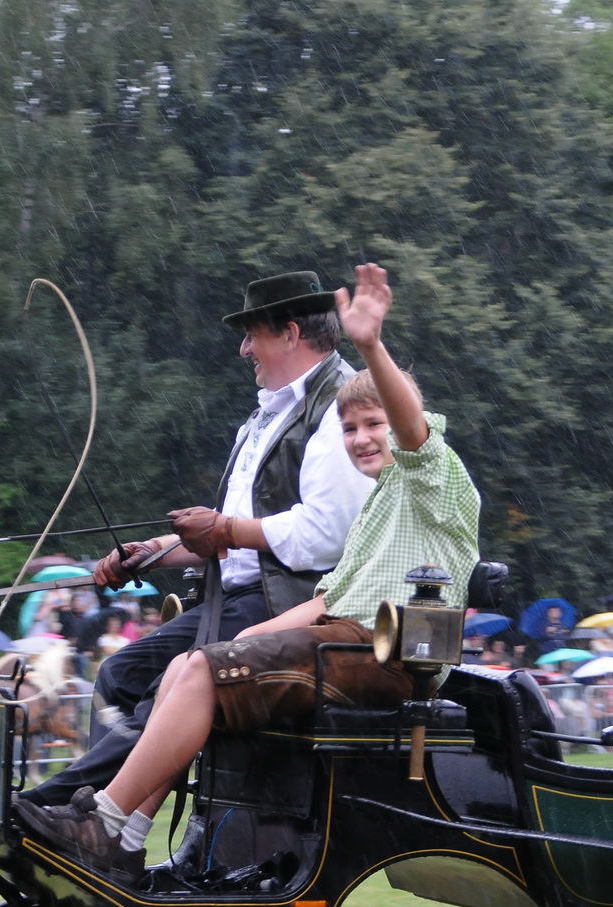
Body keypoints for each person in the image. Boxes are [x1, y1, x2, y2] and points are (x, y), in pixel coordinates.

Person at [14, 262, 479, 877]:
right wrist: (245, 635)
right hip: (344, 640)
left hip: (385, 657)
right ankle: (120, 831)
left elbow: (411, 435)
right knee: (186, 664)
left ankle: (103, 824)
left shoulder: (433, 476)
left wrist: (369, 343)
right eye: (351, 429)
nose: (363, 439)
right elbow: (326, 599)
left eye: (374, 425)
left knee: (203, 669)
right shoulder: (377, 505)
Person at [19, 270, 378, 808]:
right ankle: (95, 825)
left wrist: (224, 529)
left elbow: (326, 538)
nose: (243, 349)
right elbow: (229, 534)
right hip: (232, 597)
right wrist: (152, 553)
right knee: (118, 673)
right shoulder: (265, 416)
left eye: (251, 333)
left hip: (291, 602)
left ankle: (70, 809)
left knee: (163, 683)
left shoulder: (340, 409)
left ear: (290, 333)